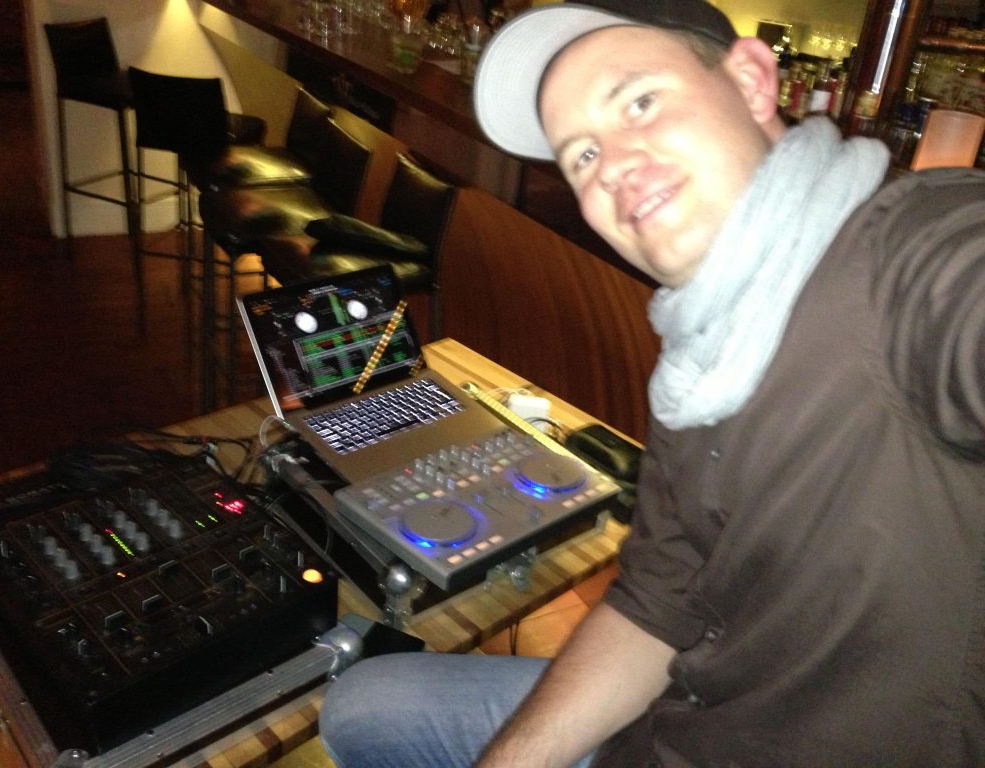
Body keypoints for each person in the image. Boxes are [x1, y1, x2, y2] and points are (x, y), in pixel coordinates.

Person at [318, 0, 985, 765]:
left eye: (639, 102)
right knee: (363, 704)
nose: (613, 168)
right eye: (581, 155)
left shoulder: (913, 257)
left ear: (751, 82)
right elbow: (657, 603)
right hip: (674, 725)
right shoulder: (699, 353)